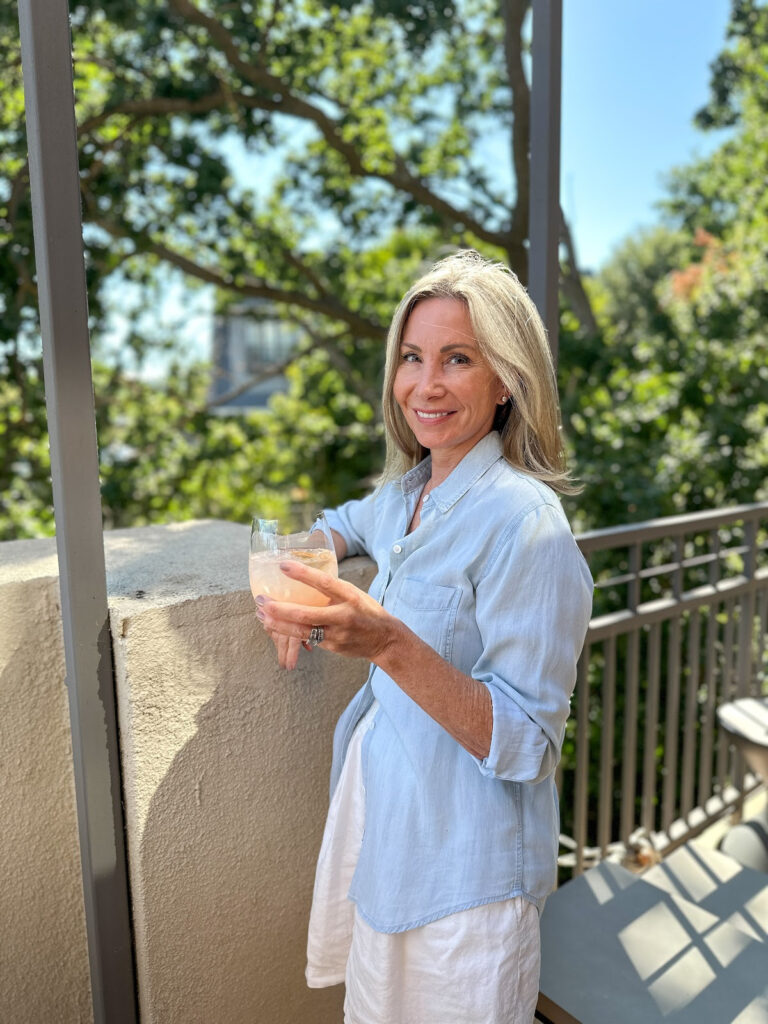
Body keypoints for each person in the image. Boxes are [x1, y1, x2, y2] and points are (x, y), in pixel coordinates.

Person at [254, 250, 593, 1024]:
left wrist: (388, 644)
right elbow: (342, 524)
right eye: (412, 357)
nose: (425, 384)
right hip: (386, 850)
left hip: (465, 891)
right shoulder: (410, 491)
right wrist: (292, 577)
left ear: (505, 380)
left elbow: (530, 744)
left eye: (457, 359)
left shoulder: (526, 525)